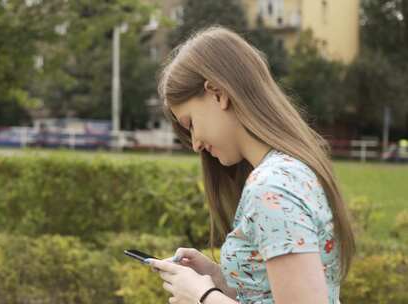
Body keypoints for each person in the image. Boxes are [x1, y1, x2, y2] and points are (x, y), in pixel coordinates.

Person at [143, 25, 355, 304]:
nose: (195, 144)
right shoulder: (290, 170)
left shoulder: (272, 187)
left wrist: (202, 296)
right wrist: (220, 280)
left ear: (217, 93)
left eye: (191, 123)